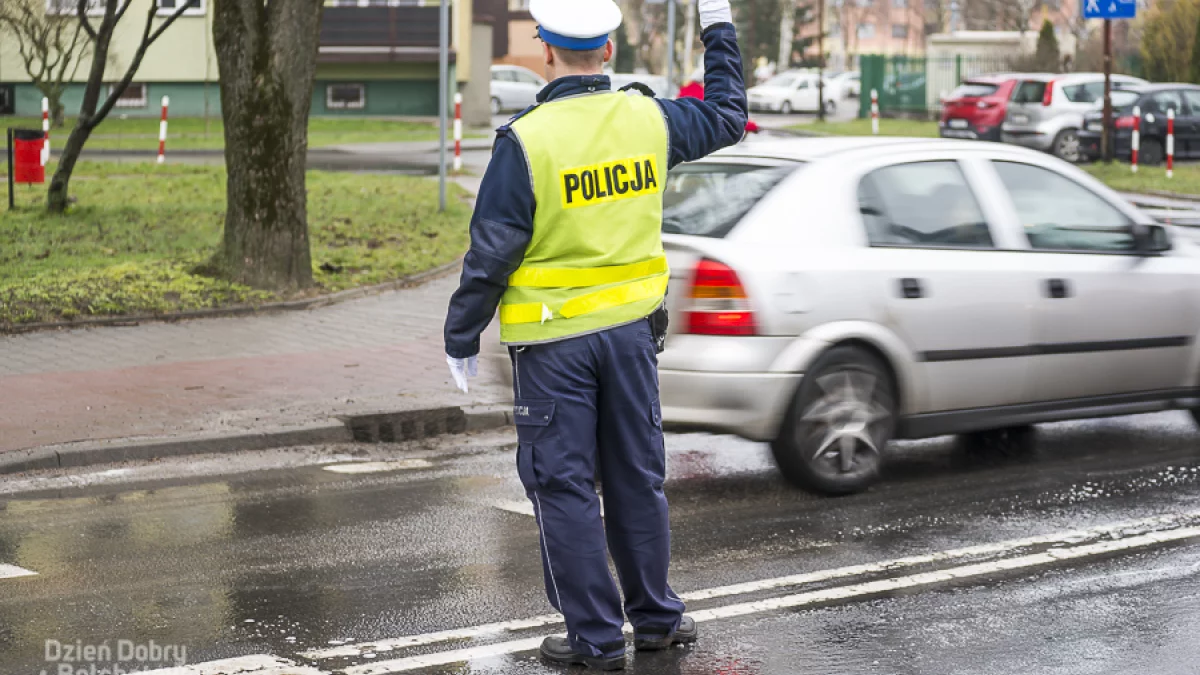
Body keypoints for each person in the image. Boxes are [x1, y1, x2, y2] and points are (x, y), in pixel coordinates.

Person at [443, 0, 746, 669]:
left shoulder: (527, 141)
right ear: (607, 53)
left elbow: (492, 252)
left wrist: (461, 335)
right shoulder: (650, 118)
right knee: (637, 477)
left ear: (545, 51)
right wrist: (717, 28)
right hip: (632, 339)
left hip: (554, 350)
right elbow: (729, 114)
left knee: (566, 487)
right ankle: (658, 618)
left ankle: (597, 640)